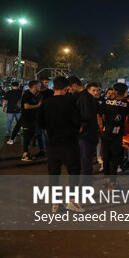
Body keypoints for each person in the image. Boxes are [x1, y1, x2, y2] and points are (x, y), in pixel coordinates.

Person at [37, 76, 83, 212]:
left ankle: (55, 203)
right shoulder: (71, 101)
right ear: (66, 88)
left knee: (54, 173)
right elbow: (77, 121)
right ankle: (72, 201)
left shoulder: (46, 103)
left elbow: (40, 123)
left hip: (52, 142)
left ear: (53, 87)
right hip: (69, 142)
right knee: (74, 171)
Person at [99, 83, 129, 189]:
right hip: (118, 134)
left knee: (106, 157)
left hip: (106, 133)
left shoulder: (106, 102)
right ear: (125, 92)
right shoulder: (128, 105)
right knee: (116, 158)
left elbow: (100, 115)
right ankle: (112, 182)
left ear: (115, 91)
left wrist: (101, 125)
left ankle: (106, 181)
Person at [71, 77, 100, 186]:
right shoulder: (87, 98)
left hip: (86, 136)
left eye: (69, 89)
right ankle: (87, 184)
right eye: (94, 90)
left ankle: (84, 187)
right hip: (89, 134)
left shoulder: (84, 98)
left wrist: (79, 128)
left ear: (74, 86)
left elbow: (86, 116)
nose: (69, 91)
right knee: (86, 162)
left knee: (85, 163)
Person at [19, 80, 41, 162]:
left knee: (29, 137)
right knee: (26, 137)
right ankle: (25, 155)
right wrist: (37, 105)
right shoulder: (27, 94)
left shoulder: (32, 95)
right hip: (27, 119)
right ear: (35, 86)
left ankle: (27, 153)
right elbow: (26, 106)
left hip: (31, 119)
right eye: (39, 85)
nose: (40, 87)